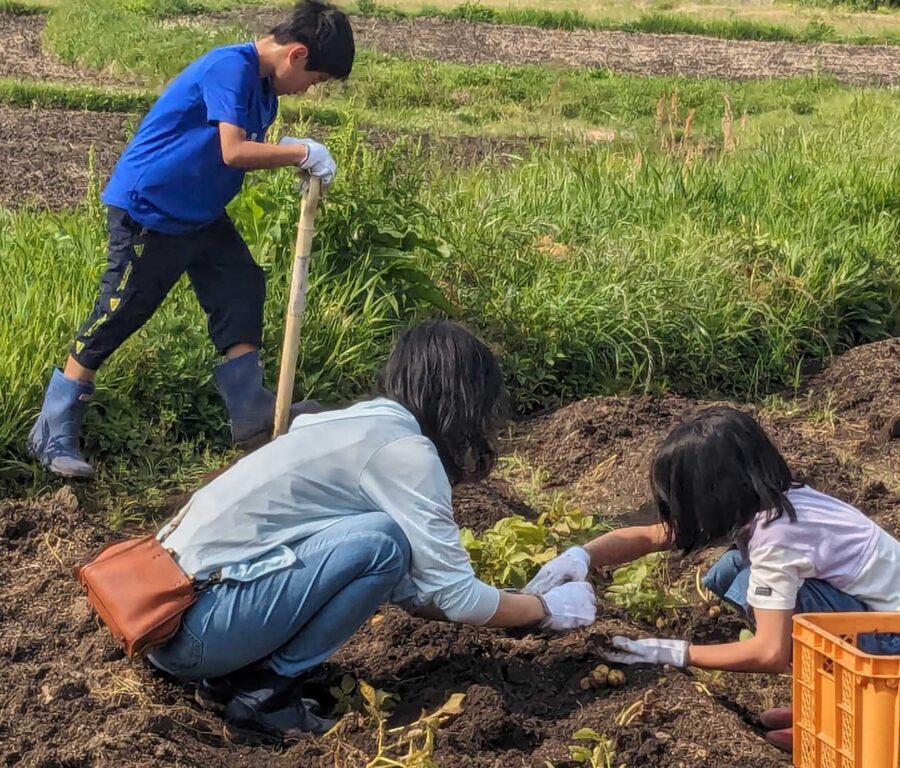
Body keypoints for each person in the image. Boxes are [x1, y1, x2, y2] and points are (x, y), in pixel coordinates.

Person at [145, 320, 597, 744]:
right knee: (382, 541)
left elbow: (412, 593)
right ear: (461, 400)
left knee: (379, 545)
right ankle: (265, 694)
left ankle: (229, 681)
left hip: (164, 620)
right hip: (199, 631)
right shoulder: (406, 452)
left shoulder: (342, 423)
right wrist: (541, 610)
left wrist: (511, 604)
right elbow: (457, 597)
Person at [27, 0, 352, 479]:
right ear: (297, 55)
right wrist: (299, 151)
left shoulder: (265, 89)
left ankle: (253, 415)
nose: (308, 91)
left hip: (198, 213)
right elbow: (234, 150)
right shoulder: (230, 67)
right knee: (122, 310)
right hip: (151, 211)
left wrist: (295, 156)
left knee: (240, 284)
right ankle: (51, 427)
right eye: (315, 80)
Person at [526, 406, 900, 750]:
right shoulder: (777, 498)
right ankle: (834, 705)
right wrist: (581, 557)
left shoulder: (777, 539)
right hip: (899, 625)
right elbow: (652, 536)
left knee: (747, 582)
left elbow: (768, 654)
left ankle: (859, 718)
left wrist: (671, 652)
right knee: (731, 572)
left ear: (713, 494)